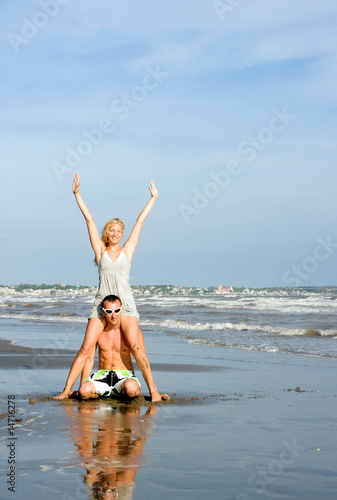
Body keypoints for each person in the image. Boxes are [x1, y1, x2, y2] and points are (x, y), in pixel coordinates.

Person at [54, 174, 164, 402]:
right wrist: (77, 194)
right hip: (100, 304)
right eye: (112, 230)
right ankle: (66, 390)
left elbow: (139, 222)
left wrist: (153, 199)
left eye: (118, 231)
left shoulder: (127, 251)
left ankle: (153, 390)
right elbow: (89, 221)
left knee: (134, 345)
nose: (115, 234)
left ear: (122, 235)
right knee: (86, 348)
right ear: (107, 232)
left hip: (126, 305)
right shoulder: (100, 252)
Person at [78, 295, 154, 400]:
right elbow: (89, 359)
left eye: (117, 310)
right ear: (103, 312)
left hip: (124, 376)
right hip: (102, 375)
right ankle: (109, 393)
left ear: (121, 310)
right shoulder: (98, 332)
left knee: (131, 388)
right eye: (109, 311)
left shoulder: (133, 333)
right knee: (84, 391)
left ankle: (127, 391)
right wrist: (82, 384)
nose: (113, 315)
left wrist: (153, 391)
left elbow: (142, 360)